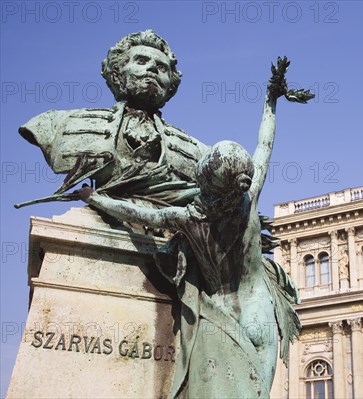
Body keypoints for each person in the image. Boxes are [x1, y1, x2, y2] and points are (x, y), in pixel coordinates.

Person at [76, 57, 305, 399]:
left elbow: (140, 214)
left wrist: (95, 199)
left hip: (221, 313)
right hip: (260, 309)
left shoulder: (190, 217)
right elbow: (265, 144)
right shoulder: (249, 196)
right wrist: (271, 100)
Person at [18, 30, 208, 208]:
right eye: (141, 61)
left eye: (161, 67)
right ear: (117, 74)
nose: (152, 68)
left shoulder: (199, 153)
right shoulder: (59, 123)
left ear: (171, 87)